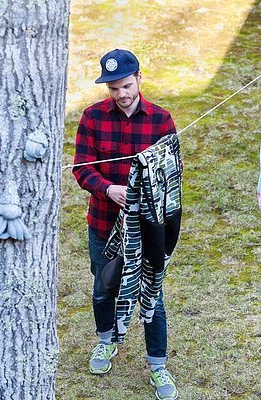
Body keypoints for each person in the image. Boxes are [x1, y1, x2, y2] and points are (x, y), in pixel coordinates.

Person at [72, 49, 178, 400]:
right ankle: (106, 343)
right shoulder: (91, 118)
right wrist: (108, 189)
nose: (121, 94)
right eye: (114, 88)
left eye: (127, 86)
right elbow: (81, 168)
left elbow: (171, 177)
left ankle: (158, 366)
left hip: (147, 228)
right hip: (104, 222)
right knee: (104, 287)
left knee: (153, 295)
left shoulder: (162, 120)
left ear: (139, 79)